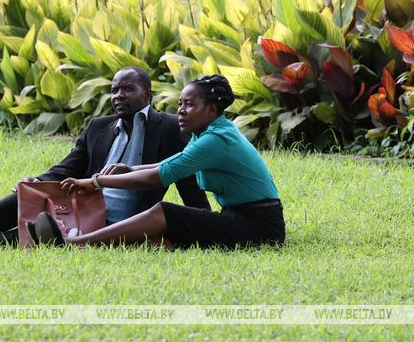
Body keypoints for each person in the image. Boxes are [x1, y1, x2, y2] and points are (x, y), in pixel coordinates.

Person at [0, 67, 210, 249]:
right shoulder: (99, 127)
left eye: (128, 89)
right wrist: (37, 182)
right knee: (22, 198)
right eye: (114, 90)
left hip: (117, 221)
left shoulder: (170, 128)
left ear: (147, 94)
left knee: (32, 234)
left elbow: (185, 175)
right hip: (78, 204)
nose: (118, 95)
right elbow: (67, 167)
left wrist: (203, 222)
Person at [28, 75, 285, 250]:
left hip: (259, 226)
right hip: (239, 218)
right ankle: (84, 241)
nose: (181, 111)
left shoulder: (216, 140)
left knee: (164, 212)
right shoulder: (211, 133)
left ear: (211, 111)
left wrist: (94, 181)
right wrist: (129, 169)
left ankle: (76, 242)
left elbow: (159, 175)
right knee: (158, 237)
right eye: (180, 104)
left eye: (190, 105)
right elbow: (170, 162)